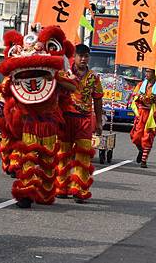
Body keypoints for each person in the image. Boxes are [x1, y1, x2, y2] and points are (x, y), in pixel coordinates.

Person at [56, 44, 103, 203]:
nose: (83, 59)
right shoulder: (65, 73)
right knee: (63, 152)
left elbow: (98, 99)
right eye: (80, 56)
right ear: (74, 57)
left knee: (83, 154)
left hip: (84, 118)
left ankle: (80, 189)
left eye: (86, 56)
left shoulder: (94, 77)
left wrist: (99, 121)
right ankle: (61, 187)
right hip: (66, 117)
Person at [130, 68, 156, 168]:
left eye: (149, 71)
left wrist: (155, 99)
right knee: (135, 137)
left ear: (155, 74)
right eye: (146, 71)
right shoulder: (140, 85)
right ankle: (141, 150)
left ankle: (144, 160)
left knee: (148, 137)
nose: (146, 73)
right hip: (141, 113)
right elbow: (134, 97)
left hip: (152, 114)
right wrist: (140, 98)